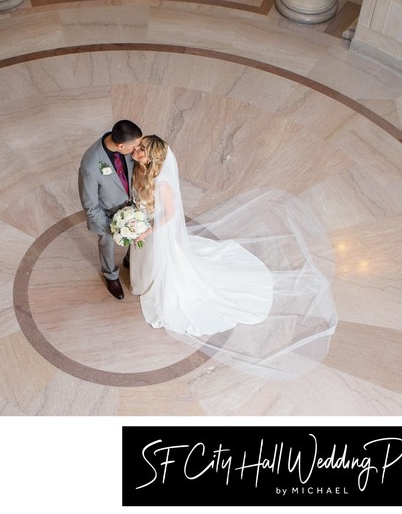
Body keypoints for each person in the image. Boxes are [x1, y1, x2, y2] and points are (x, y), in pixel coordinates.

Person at [129, 135, 337, 379]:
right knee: (145, 259)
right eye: (138, 147)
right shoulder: (136, 168)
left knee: (163, 265)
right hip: (144, 228)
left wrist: (147, 230)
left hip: (157, 232)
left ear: (152, 157)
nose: (137, 150)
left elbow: (169, 215)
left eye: (141, 149)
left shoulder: (162, 184)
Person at [78, 119, 143, 299]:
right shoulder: (90, 165)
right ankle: (111, 275)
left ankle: (130, 260)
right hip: (106, 215)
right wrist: (114, 228)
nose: (136, 150)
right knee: (107, 243)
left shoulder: (122, 142)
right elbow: (90, 207)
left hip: (130, 205)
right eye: (134, 148)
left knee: (137, 232)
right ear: (121, 146)